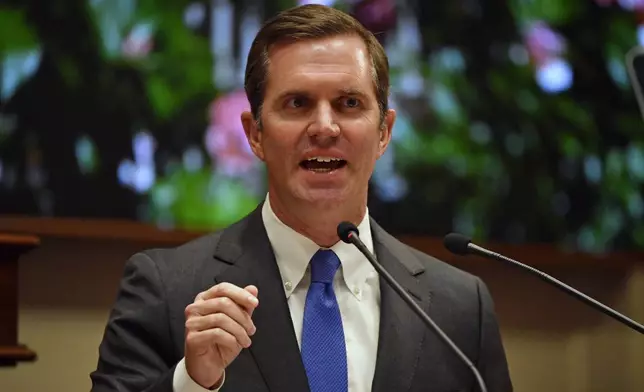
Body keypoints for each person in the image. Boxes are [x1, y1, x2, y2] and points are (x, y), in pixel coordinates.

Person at [90, 4, 513, 392]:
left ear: (383, 132)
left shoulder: (459, 308)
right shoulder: (166, 288)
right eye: (297, 103)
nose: (325, 127)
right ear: (255, 133)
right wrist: (192, 382)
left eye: (349, 103)